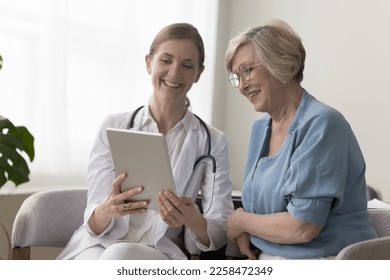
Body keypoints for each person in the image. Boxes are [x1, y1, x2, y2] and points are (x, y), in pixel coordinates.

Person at [57, 23, 234, 260]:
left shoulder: (213, 141)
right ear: (148, 62)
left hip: (158, 252)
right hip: (98, 245)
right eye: (166, 60)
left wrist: (192, 219)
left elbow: (220, 226)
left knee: (118, 256)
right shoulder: (113, 127)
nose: (174, 72)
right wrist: (106, 210)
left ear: (198, 73)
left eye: (187, 65)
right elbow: (94, 223)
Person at [224, 19, 377, 260]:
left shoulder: (322, 123)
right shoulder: (260, 128)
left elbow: (302, 226)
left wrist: (242, 220)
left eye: (247, 70)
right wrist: (246, 226)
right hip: (269, 256)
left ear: (283, 63)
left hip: (325, 260)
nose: (242, 85)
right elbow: (258, 209)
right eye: (236, 77)